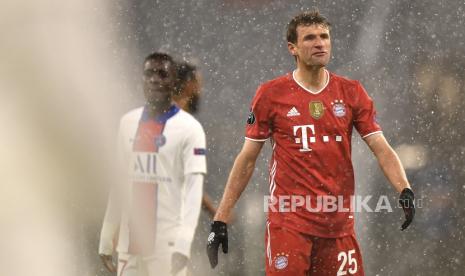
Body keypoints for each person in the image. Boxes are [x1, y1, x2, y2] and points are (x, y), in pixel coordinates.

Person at [206, 10, 415, 275]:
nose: (320, 43)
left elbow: (381, 148)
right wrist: (220, 218)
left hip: (338, 227)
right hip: (289, 225)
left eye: (325, 37)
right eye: (310, 38)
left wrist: (404, 189)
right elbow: (247, 159)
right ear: (292, 48)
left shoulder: (351, 92)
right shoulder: (271, 95)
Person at [99, 52, 207, 276]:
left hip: (167, 244)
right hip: (130, 243)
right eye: (149, 73)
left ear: (174, 81)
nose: (155, 79)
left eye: (162, 74)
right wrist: (106, 237)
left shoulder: (190, 128)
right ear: (141, 79)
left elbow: (193, 191)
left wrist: (184, 242)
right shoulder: (127, 123)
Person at [173, 61, 217, 218]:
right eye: (199, 85)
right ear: (188, 85)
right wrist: (215, 212)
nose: (200, 91)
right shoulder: (183, 125)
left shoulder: (159, 118)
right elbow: (188, 178)